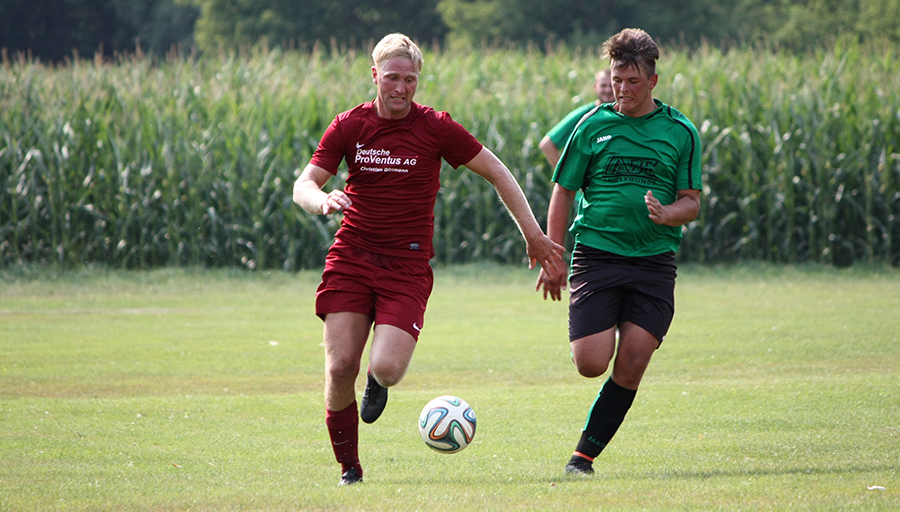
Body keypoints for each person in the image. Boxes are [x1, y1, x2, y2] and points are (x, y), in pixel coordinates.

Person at [293, 33, 565, 486]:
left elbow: (498, 172)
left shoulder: (436, 127)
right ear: (375, 75)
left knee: (386, 368)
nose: (401, 88)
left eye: (411, 79)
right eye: (393, 77)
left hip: (407, 266)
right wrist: (320, 200)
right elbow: (304, 183)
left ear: (418, 80)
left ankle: (377, 382)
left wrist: (534, 235)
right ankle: (350, 469)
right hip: (352, 256)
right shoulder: (349, 126)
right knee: (341, 367)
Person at [535, 28, 702, 476]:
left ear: (653, 81)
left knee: (632, 362)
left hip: (653, 264)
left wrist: (670, 213)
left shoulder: (680, 131)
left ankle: (582, 459)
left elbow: (693, 201)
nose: (622, 90)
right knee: (591, 363)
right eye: (617, 80)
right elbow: (562, 191)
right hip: (597, 255)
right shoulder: (592, 125)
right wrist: (554, 256)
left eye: (632, 81)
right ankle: (584, 450)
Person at [538, 68, 615, 169]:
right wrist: (567, 178)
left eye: (611, 86)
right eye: (603, 85)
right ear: (595, 87)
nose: (608, 90)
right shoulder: (585, 115)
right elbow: (547, 145)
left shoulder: (626, 114)